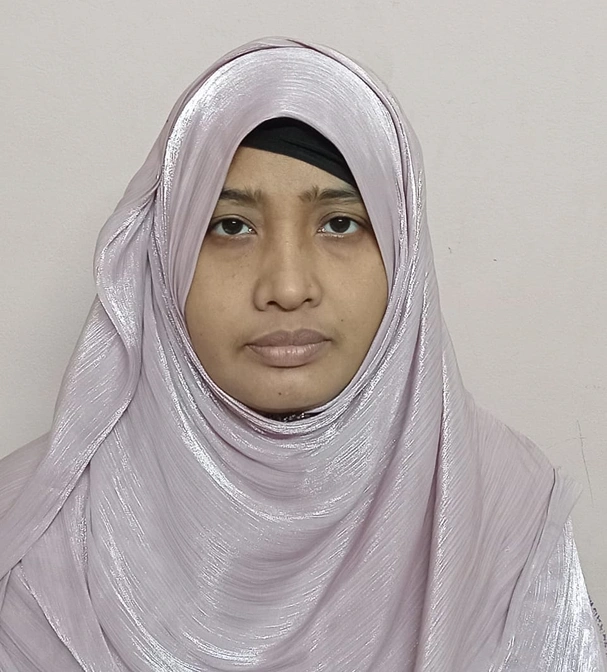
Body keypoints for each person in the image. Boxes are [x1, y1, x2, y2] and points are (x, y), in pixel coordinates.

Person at [0, 37, 604, 671]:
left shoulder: (504, 523)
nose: (287, 288)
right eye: (231, 226)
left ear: (403, 257)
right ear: (165, 255)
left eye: (340, 224)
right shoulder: (30, 540)